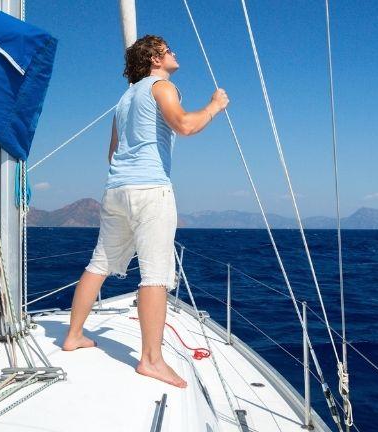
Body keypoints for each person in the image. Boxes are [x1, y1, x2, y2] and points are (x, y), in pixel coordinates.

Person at [61, 35, 229, 389]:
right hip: (150, 190)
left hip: (116, 190)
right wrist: (214, 106)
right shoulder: (162, 86)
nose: (173, 52)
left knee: (99, 263)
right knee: (155, 274)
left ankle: (74, 335)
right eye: (168, 49)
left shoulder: (123, 101)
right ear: (154, 59)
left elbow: (113, 154)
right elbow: (184, 126)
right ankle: (151, 361)